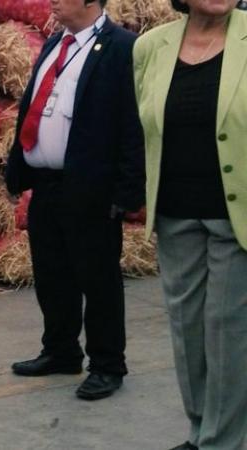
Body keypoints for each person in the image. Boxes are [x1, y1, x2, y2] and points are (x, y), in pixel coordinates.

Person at [4, 0, 145, 401]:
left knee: (98, 280)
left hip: (92, 186)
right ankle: (61, 350)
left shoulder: (121, 47)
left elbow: (133, 122)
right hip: (47, 184)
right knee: (52, 274)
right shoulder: (56, 43)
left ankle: (107, 364)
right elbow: (34, 107)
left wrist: (127, 190)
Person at [133, 2, 247, 449]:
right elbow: (145, 126)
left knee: (227, 333)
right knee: (188, 330)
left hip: (236, 217)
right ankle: (201, 430)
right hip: (175, 212)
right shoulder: (150, 47)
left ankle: (224, 440)